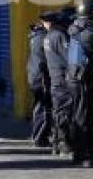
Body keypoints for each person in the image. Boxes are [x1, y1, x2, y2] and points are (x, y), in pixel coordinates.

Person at [67, 0, 93, 166]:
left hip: (75, 78)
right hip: (83, 79)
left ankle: (85, 151)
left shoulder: (76, 28)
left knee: (80, 115)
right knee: (83, 117)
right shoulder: (89, 32)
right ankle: (83, 155)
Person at [41, 11, 72, 156]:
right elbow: (69, 58)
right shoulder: (59, 36)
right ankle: (64, 143)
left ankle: (56, 143)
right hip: (62, 79)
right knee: (64, 112)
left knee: (57, 111)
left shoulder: (47, 37)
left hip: (54, 79)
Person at [26, 19, 51, 147]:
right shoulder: (43, 38)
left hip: (34, 76)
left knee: (38, 107)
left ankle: (36, 135)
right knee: (43, 108)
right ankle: (39, 137)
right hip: (40, 78)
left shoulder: (35, 37)